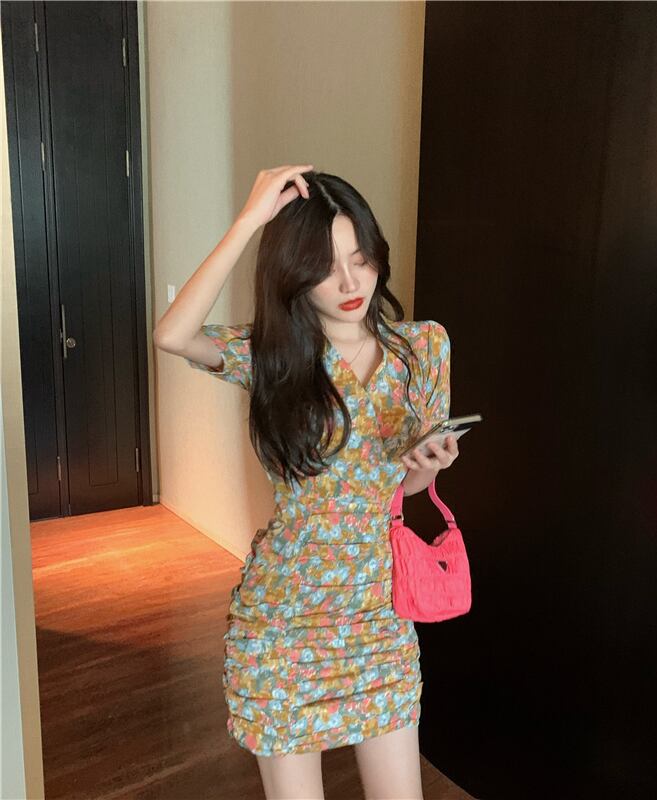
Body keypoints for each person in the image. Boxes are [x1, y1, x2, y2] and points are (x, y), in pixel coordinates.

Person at [153, 164, 458, 799]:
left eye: (360, 258)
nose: (350, 282)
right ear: (293, 274)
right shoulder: (273, 356)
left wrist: (426, 467)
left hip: (379, 615)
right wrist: (249, 221)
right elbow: (173, 334)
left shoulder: (424, 349)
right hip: (285, 623)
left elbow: (399, 496)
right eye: (323, 267)